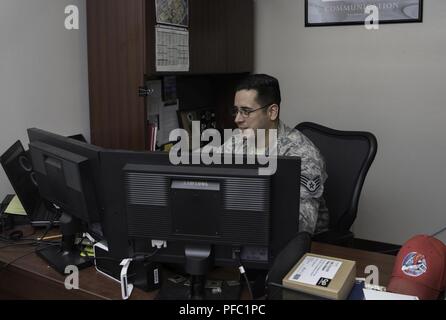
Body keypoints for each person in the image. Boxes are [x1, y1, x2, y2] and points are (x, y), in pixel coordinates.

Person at [223, 74, 329, 235]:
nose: (237, 119)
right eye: (235, 111)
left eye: (246, 111)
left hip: (296, 243)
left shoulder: (301, 154)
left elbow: (303, 222)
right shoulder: (237, 141)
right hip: (242, 231)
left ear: (272, 112)